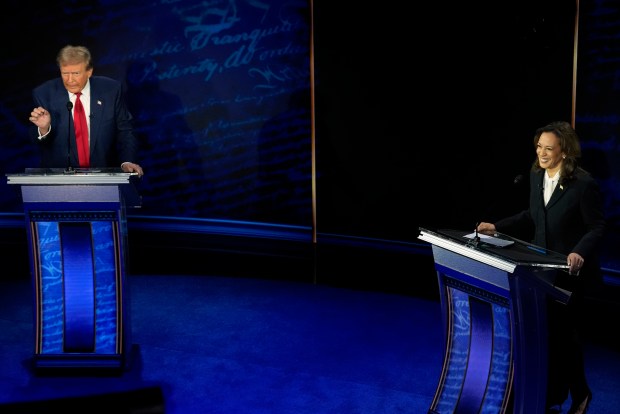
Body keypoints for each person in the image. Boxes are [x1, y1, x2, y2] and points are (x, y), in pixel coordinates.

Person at [477, 121, 605, 414]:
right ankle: (549, 397)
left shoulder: (583, 184)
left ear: (565, 152)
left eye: (549, 148)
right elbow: (531, 215)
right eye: (539, 147)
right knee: (544, 334)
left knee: (563, 336)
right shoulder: (536, 175)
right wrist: (497, 227)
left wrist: (578, 252)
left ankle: (580, 394)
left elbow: (597, 227)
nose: (542, 153)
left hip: (569, 273)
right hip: (538, 270)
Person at [28, 44, 143, 177]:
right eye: (65, 73)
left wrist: (127, 161)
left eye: (76, 73)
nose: (70, 80)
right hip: (59, 179)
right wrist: (44, 129)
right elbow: (34, 141)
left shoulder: (110, 90)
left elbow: (125, 130)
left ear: (89, 72)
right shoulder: (44, 94)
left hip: (104, 176)